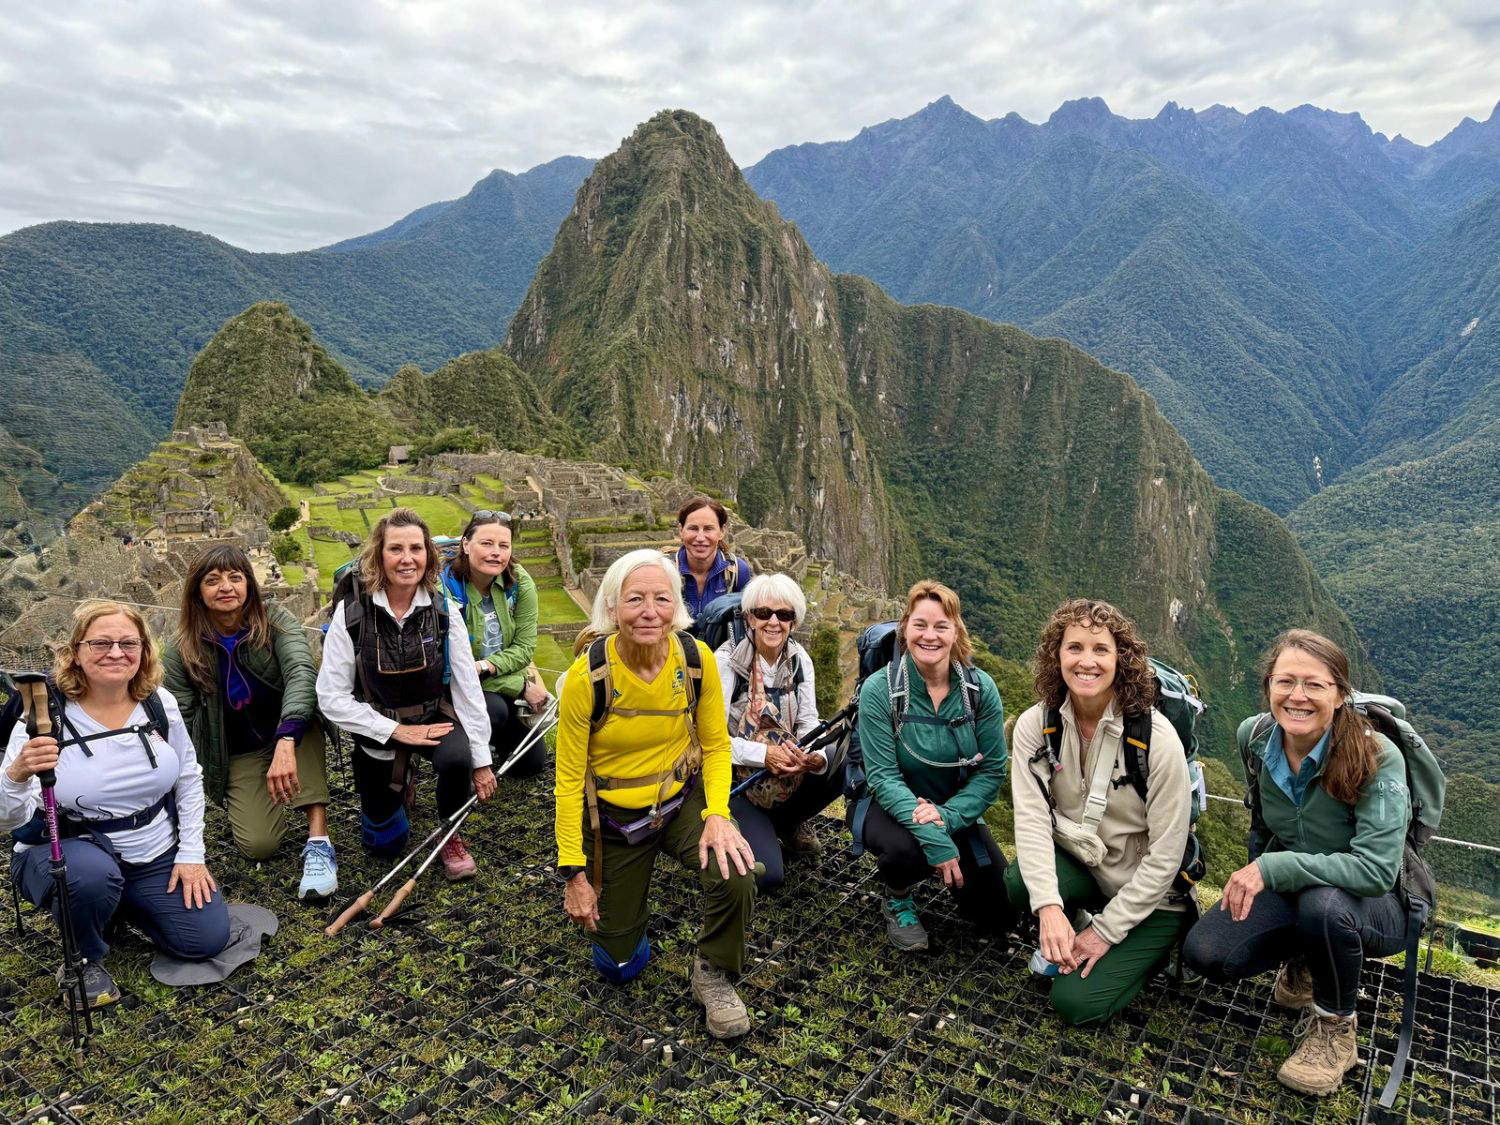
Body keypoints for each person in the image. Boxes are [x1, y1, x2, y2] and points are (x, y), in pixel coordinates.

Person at [1183, 629, 1411, 1097]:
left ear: (1341, 693)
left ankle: (1335, 1028)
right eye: (1285, 682)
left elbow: (1374, 872)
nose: (1298, 696)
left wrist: (1271, 870)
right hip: (1300, 890)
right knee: (1208, 953)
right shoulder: (1257, 736)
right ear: (1268, 685)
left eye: (1315, 684)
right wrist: (1255, 873)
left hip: (1378, 903)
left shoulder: (1375, 757)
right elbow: (1264, 826)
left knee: (1325, 907)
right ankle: (1309, 957)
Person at [555, 549, 756, 1039]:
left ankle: (713, 970)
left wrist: (716, 814)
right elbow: (566, 781)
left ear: (676, 606)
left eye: (661, 599)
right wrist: (573, 873)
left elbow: (714, 746)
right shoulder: (588, 679)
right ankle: (626, 927)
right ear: (614, 607)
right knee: (618, 966)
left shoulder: (695, 660)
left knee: (738, 871)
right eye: (635, 599)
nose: (649, 611)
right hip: (614, 821)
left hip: (676, 804)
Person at [2, 600, 231, 1009]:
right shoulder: (44, 714)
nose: (115, 652)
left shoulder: (158, 702)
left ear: (144, 650)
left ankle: (114, 904)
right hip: (67, 848)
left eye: (129, 642)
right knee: (88, 877)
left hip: (153, 850)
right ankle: (84, 954)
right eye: (100, 642)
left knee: (204, 939)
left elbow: (187, 777)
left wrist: (192, 853)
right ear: (75, 650)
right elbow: (7, 818)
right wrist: (17, 773)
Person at [1008, 599, 1193, 1026]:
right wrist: (1050, 908)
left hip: (1153, 898)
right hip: (1091, 868)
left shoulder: (1156, 741)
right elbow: (1032, 822)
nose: (1086, 661)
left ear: (1121, 661)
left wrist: (1105, 933)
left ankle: (1149, 950)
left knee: (1076, 1004)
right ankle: (1074, 924)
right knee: (1020, 882)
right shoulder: (1038, 726)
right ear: (1056, 656)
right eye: (1074, 648)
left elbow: (1166, 858)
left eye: (1100, 650)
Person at [316, 508, 493, 880]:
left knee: (458, 759)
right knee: (384, 844)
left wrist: (480, 758)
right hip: (379, 726)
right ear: (379, 554)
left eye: (416, 548)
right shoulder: (353, 614)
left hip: (433, 717)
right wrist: (396, 732)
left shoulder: (444, 611)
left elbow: (466, 685)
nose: (407, 558)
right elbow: (331, 696)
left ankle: (449, 834)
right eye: (396, 549)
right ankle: (400, 786)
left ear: (428, 554)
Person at [162, 544, 336, 900]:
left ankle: (318, 841)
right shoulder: (181, 650)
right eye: (213, 580)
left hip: (290, 733)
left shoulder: (275, 621)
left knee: (305, 716)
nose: (226, 586)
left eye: (235, 577)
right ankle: (266, 792)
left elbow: (301, 671)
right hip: (237, 750)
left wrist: (286, 739)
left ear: (248, 585)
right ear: (197, 591)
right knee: (259, 845)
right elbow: (181, 722)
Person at [856, 580, 1009, 951]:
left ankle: (947, 864)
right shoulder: (881, 690)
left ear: (956, 631)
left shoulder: (978, 690)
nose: (930, 636)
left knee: (999, 913)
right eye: (920, 625)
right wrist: (936, 840)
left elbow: (991, 770)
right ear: (904, 629)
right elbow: (883, 776)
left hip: (954, 808)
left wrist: (948, 818)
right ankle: (898, 895)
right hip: (890, 806)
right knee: (906, 853)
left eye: (941, 626)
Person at [716, 572, 845, 890]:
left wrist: (814, 758)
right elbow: (712, 740)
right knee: (768, 876)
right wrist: (765, 756)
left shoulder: (799, 660)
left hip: (783, 771)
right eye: (764, 613)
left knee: (842, 756)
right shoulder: (728, 662)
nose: (773, 622)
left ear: (794, 621)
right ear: (750, 617)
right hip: (738, 783)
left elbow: (808, 722)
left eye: (784, 614)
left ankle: (786, 822)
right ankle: (757, 825)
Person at [441, 510, 551, 778]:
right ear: (466, 545)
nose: (496, 553)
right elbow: (455, 667)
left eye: (504, 545)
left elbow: (524, 649)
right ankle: (463, 760)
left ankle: (485, 744)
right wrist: (522, 685)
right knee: (495, 710)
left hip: (495, 679)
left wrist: (485, 667)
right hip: (453, 690)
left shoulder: (520, 582)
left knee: (531, 764)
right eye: (486, 544)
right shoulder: (444, 587)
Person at [668, 496, 752, 620]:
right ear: (681, 531)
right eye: (693, 528)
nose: (700, 537)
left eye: (708, 529)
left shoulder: (738, 572)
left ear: (722, 531)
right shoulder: (664, 570)